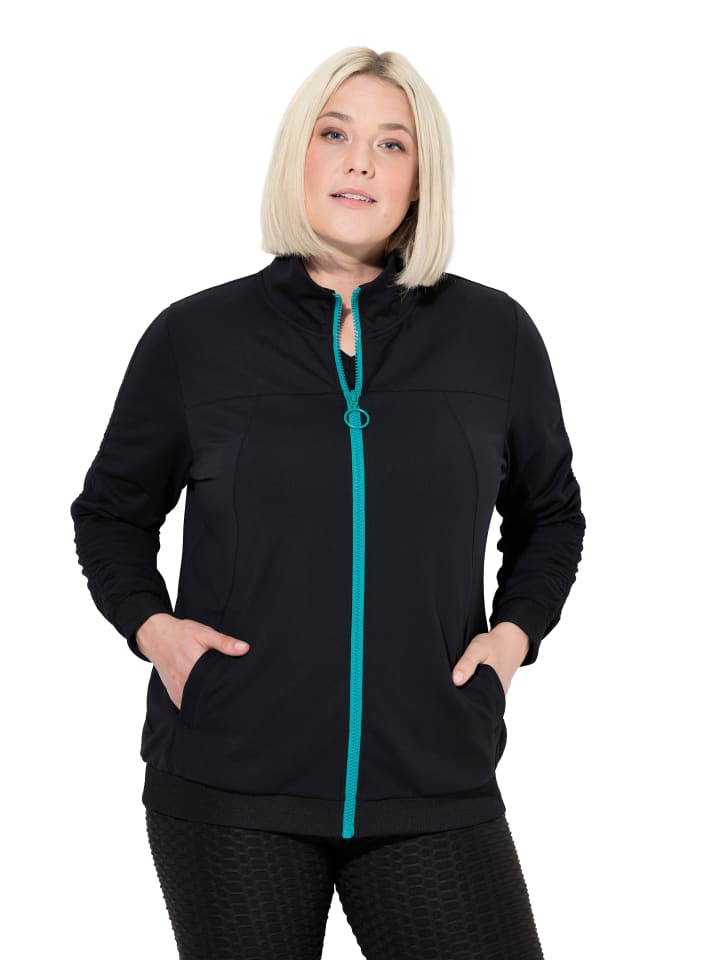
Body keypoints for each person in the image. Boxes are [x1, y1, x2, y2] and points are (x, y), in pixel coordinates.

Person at [70, 45, 586, 960]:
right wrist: (154, 629)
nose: (362, 163)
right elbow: (110, 512)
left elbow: (550, 514)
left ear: (420, 179)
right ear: (297, 156)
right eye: (336, 134)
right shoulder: (196, 337)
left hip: (430, 775)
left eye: (393, 144)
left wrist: (513, 638)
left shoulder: (492, 335)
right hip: (231, 788)